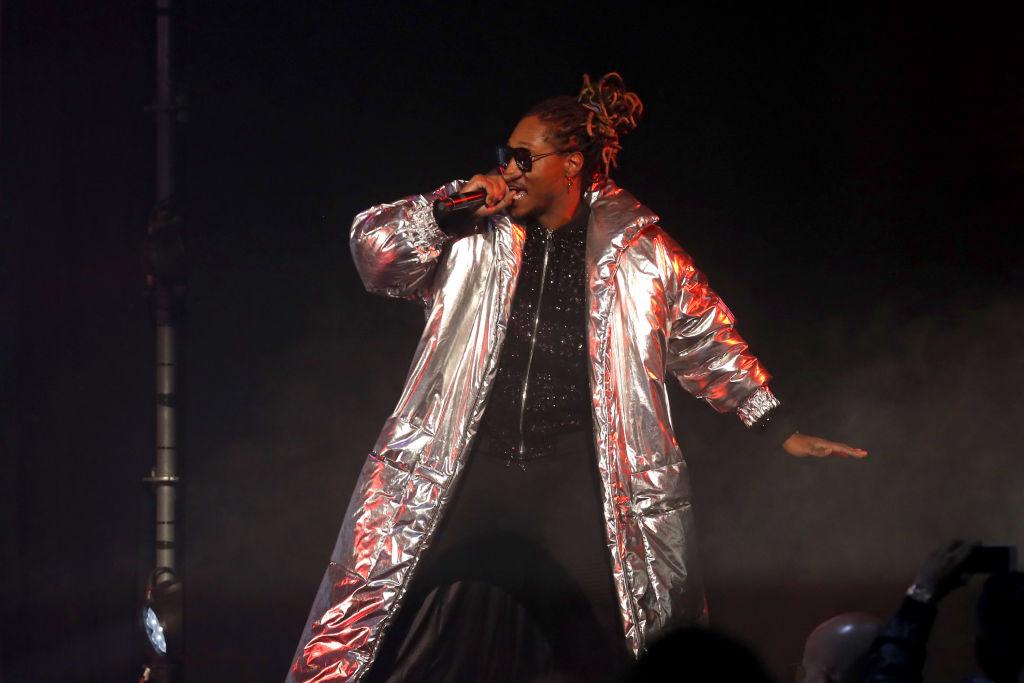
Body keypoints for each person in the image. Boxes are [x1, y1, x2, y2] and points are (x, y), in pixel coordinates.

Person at [285, 72, 867, 683]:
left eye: (524, 158)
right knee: (371, 616)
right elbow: (374, 255)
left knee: (628, 629)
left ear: (570, 165)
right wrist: (442, 209)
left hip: (573, 474)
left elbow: (706, 340)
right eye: (503, 157)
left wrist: (777, 425)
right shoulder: (470, 236)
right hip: (462, 462)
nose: (508, 171)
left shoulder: (643, 253)